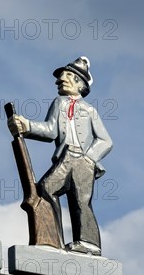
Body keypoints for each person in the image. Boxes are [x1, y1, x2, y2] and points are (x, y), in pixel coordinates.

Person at [8, 57, 113, 255]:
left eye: (66, 76)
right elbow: (50, 131)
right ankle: (53, 236)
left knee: (81, 200)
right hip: (66, 157)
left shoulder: (90, 110)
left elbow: (106, 141)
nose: (60, 80)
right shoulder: (59, 103)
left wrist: (89, 158)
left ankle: (88, 243)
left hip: (83, 160)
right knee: (45, 190)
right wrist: (27, 125)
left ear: (78, 83)